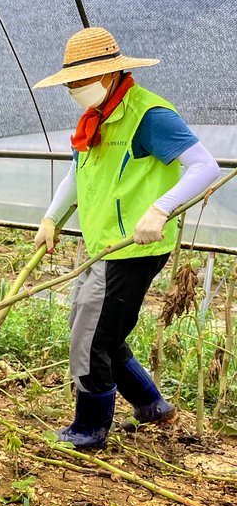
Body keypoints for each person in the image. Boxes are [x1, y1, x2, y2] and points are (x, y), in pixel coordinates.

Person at [32, 27, 219, 449]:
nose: (74, 90)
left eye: (81, 81)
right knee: (98, 329)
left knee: (92, 338)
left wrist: (160, 208)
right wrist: (50, 218)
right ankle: (152, 405)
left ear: (110, 74)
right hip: (100, 244)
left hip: (135, 248)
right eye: (70, 83)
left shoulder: (148, 115)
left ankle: (90, 427)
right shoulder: (94, 119)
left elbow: (205, 166)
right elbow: (77, 174)